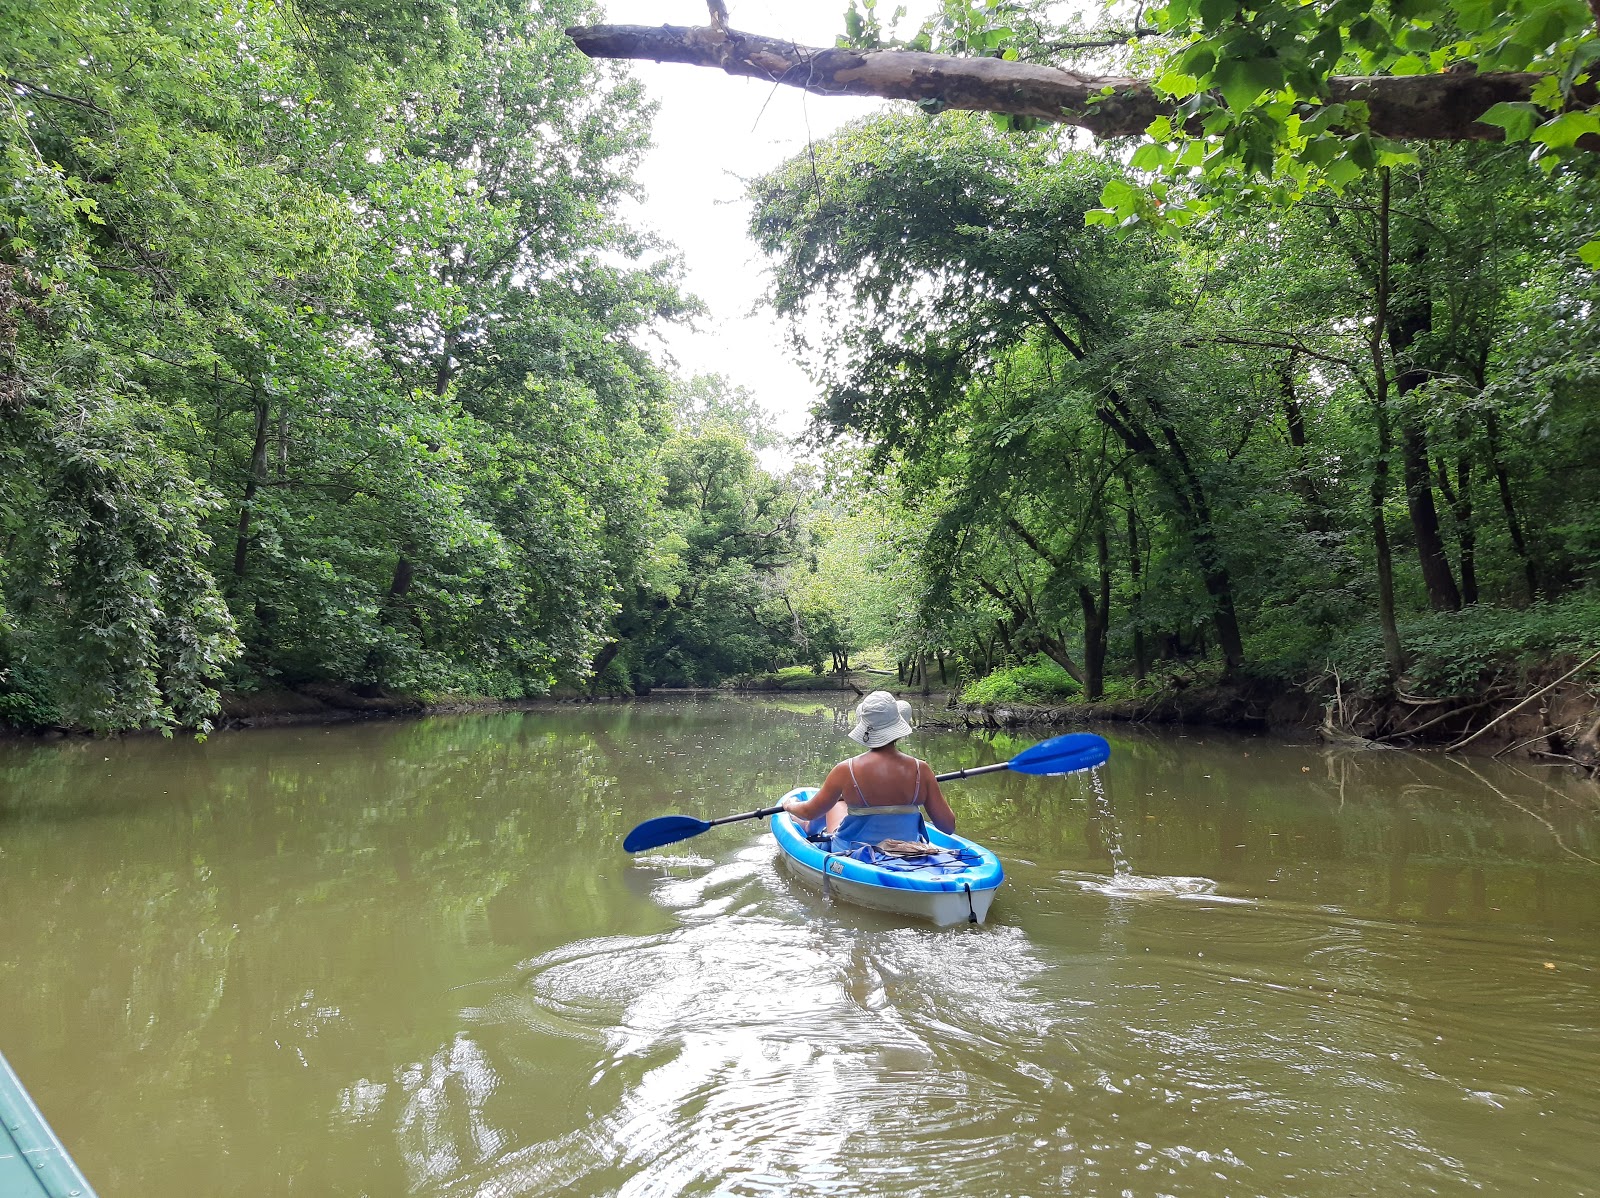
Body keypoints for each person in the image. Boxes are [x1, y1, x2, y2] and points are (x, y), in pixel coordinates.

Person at [781, 690, 955, 850]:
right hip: (907, 849)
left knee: (837, 802)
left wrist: (789, 806)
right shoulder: (921, 770)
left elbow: (809, 812)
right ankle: (811, 825)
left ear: (865, 728)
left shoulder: (845, 770)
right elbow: (947, 826)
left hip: (854, 852)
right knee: (838, 801)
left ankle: (808, 828)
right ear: (898, 726)